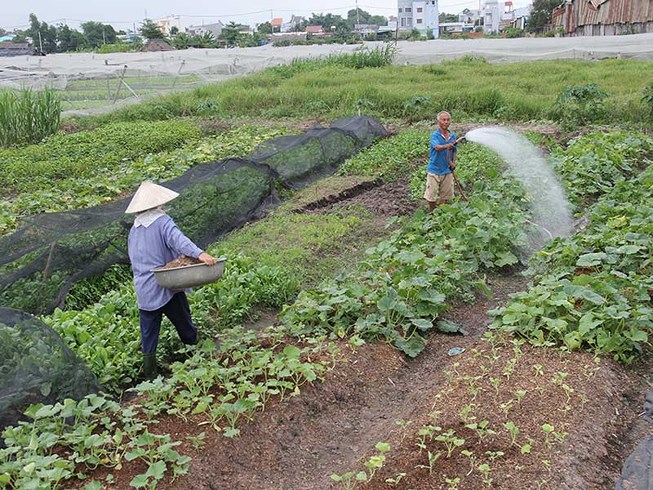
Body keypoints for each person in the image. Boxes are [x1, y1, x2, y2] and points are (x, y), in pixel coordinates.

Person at [125, 181, 216, 377]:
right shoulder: (162, 221)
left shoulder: (134, 229)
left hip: (143, 289)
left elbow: (133, 259)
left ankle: (150, 374)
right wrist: (200, 255)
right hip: (166, 284)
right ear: (158, 203)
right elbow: (179, 241)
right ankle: (196, 359)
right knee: (184, 323)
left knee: (148, 333)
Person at [424, 111, 460, 212]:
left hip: (447, 170)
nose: (446, 122)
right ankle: (432, 213)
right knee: (431, 195)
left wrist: (453, 162)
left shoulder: (452, 136)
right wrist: (446, 146)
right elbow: (436, 147)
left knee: (445, 195)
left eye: (448, 120)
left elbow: (454, 151)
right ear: (438, 122)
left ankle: (441, 213)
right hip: (434, 169)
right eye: (443, 120)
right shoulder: (435, 135)